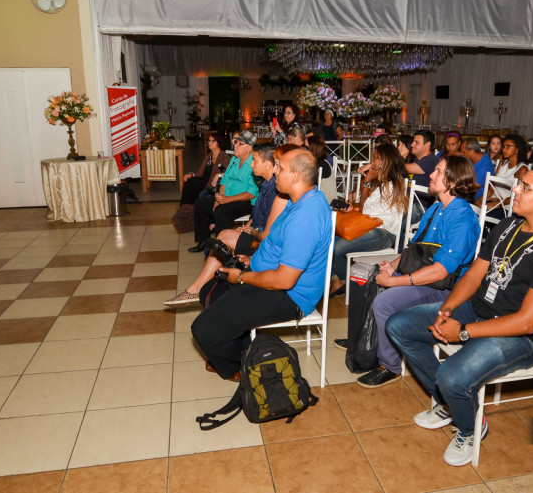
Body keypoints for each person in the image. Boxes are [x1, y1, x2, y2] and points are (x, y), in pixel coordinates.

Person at [387, 162, 533, 466]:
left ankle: (469, 426)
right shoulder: (507, 226)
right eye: (520, 183)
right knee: (400, 325)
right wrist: (447, 308)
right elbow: (475, 276)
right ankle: (448, 402)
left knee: (453, 374)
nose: (514, 189)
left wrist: (462, 331)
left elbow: (529, 321)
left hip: (521, 337)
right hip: (477, 310)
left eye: (525, 187)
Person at [191, 148, 333, 381]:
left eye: (281, 168)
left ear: (296, 177)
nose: (275, 172)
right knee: (209, 292)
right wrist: (251, 260)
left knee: (202, 328)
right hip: (270, 274)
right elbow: (276, 244)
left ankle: (237, 366)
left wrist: (240, 277)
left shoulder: (305, 217)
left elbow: (284, 280)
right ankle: (243, 347)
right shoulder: (301, 199)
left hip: (289, 296)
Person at [354, 156, 480, 388]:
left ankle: (389, 365)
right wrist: (393, 266)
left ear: (452, 181)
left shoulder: (463, 218)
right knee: (367, 278)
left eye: (438, 172)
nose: (431, 175)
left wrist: (395, 282)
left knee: (384, 301)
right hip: (428, 278)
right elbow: (416, 249)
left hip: (446, 290)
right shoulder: (436, 209)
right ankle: (364, 344)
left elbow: (442, 272)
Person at [165, 144, 287, 307]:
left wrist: (251, 230)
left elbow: (268, 232)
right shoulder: (266, 185)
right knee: (221, 237)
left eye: (255, 161)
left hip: (263, 244)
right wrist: (248, 226)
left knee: (222, 239)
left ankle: (197, 289)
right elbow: (258, 214)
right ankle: (202, 289)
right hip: (256, 236)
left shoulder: (276, 191)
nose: (252, 164)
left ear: (268, 165)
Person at [329, 143, 410, 296]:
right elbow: (366, 207)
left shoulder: (392, 186)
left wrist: (367, 180)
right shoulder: (383, 184)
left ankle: (344, 282)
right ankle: (340, 281)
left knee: (333, 248)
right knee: (327, 240)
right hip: (372, 228)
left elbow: (366, 208)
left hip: (383, 234)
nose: (373, 162)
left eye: (377, 158)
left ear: (386, 162)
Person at [189, 130, 260, 253]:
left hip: (244, 201)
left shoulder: (254, 163)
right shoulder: (235, 159)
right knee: (200, 204)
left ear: (249, 148)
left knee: (221, 211)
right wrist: (219, 197)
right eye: (235, 142)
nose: (235, 146)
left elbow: (251, 193)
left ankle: (223, 247)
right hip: (226, 197)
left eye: (239, 144)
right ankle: (203, 241)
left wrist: (226, 200)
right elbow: (225, 179)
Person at [460, 137, 493, 203]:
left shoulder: (484, 166)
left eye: (464, 152)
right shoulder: (479, 156)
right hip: (467, 189)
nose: (461, 154)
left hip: (475, 197)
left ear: (472, 152)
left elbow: (473, 188)